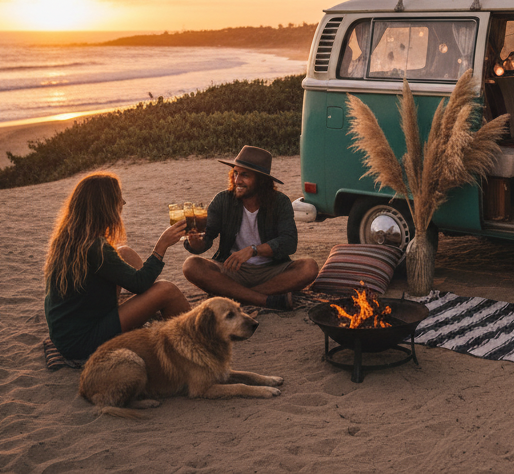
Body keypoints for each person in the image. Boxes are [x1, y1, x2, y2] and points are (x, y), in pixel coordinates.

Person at [43, 172, 190, 361]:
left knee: (124, 252)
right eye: (118, 198)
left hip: (67, 332)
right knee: (167, 290)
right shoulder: (95, 248)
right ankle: (201, 334)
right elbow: (140, 284)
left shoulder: (71, 238)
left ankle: (150, 311)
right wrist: (161, 246)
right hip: (82, 342)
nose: (123, 203)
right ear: (105, 206)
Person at [182, 146, 319, 310]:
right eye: (235, 173)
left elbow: (289, 242)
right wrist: (196, 244)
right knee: (191, 265)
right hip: (233, 269)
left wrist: (253, 250)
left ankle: (240, 297)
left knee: (309, 267)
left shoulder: (279, 202)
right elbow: (207, 238)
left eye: (245, 175)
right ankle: (265, 300)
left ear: (261, 180)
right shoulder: (222, 200)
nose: (237, 180)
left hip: (272, 271)